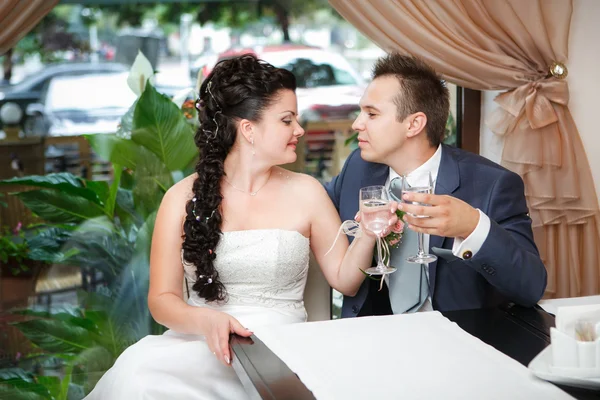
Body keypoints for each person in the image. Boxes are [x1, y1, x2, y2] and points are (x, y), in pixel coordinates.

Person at [86, 54, 388, 400]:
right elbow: (161, 299)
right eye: (287, 120)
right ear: (248, 129)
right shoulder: (180, 198)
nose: (299, 130)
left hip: (278, 354)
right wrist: (207, 321)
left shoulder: (307, 192)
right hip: (199, 347)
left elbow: (346, 281)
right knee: (138, 378)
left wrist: (367, 232)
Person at [326, 53, 547, 318]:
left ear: (414, 124)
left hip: (460, 340)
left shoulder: (492, 184)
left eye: (371, 114)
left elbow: (531, 288)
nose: (356, 124)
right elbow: (313, 206)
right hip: (372, 337)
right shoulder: (359, 170)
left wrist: (472, 227)